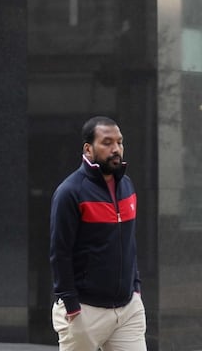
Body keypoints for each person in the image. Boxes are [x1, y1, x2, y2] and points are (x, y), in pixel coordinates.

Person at [50, 116, 145, 351]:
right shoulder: (70, 192)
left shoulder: (127, 186)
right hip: (85, 310)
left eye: (119, 142)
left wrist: (135, 287)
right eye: (107, 142)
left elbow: (128, 243)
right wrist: (72, 306)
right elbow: (60, 253)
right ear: (88, 148)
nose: (116, 149)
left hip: (128, 310)